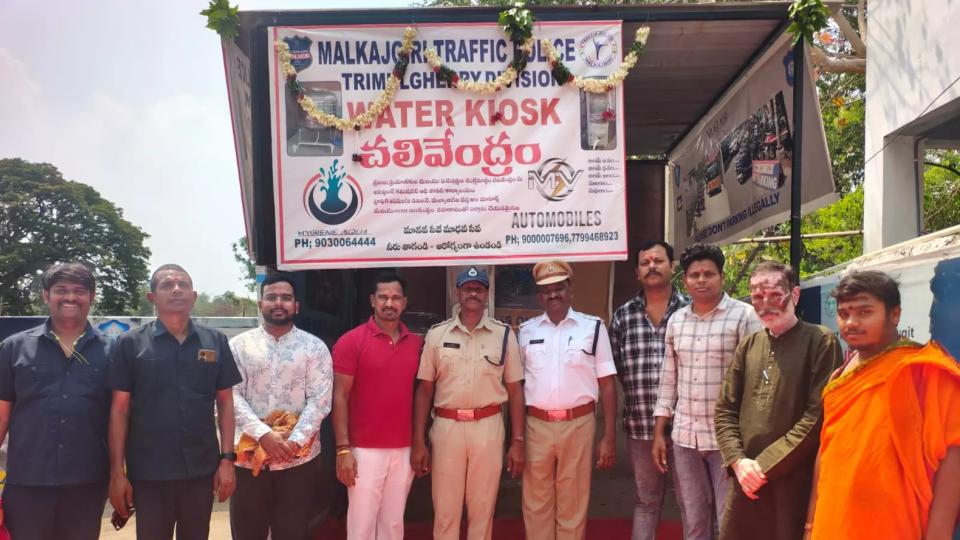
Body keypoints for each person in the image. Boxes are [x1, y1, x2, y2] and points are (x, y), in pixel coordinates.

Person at [805, 270, 960, 540]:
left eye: (865, 312)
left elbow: (953, 459)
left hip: (894, 524)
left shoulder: (925, 370)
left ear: (895, 314)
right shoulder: (839, 377)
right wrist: (810, 524)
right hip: (834, 522)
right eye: (843, 313)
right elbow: (826, 453)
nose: (851, 322)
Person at [108, 264, 242, 540]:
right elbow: (119, 410)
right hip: (149, 471)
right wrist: (117, 473)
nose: (177, 289)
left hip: (201, 468)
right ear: (151, 297)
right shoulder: (130, 344)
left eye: (183, 284)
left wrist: (227, 460)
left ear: (193, 296)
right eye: (167, 285)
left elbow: (226, 403)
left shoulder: (214, 341)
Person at [713, 261, 841, 540]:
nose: (765, 303)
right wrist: (737, 461)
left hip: (791, 481)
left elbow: (817, 416)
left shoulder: (821, 342)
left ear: (794, 295)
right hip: (744, 481)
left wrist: (763, 466)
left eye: (774, 295)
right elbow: (724, 409)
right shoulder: (749, 344)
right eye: (758, 297)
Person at [652, 243, 762, 540]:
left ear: (721, 277)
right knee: (694, 519)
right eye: (694, 275)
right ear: (684, 280)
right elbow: (668, 378)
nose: (701, 280)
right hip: (685, 439)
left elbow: (756, 379)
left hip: (728, 441)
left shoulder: (744, 316)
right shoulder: (677, 320)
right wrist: (659, 432)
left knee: (729, 520)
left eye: (708, 274)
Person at [411, 266, 525, 540]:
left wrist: (518, 440)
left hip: (487, 428)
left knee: (482, 510)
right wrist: (418, 440)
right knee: (446, 512)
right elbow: (425, 390)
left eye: (479, 288)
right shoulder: (437, 335)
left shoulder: (504, 335)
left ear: (486, 295)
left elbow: (516, 390)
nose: (473, 292)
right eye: (467, 288)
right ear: (458, 293)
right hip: (447, 428)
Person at [0, 263, 111, 540]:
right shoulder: (14, 347)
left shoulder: (113, 350)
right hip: (27, 480)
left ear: (92, 296)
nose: (70, 297)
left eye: (79, 291)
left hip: (87, 481)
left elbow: (120, 416)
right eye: (61, 290)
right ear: (46, 296)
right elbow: (2, 414)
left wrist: (121, 475)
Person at [228, 273, 333, 540]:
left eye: (286, 298)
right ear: (261, 303)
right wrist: (265, 436)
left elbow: (320, 400)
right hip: (248, 458)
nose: (279, 303)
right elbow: (230, 396)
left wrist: (294, 442)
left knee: (293, 532)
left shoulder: (314, 347)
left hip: (298, 460)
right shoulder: (239, 346)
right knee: (248, 532)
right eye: (272, 297)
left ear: (296, 305)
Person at [519, 260, 617, 540]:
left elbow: (607, 384)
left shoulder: (593, 328)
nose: (553, 295)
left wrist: (608, 436)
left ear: (570, 290)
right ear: (540, 296)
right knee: (535, 502)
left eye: (559, 288)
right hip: (536, 425)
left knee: (573, 501)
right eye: (546, 290)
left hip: (579, 424)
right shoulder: (526, 332)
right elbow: (517, 386)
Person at [332, 272, 422, 540]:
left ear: (404, 303)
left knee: (393, 524)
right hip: (363, 450)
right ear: (372, 300)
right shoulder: (351, 341)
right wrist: (342, 449)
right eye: (383, 297)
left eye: (395, 298)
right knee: (361, 525)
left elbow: (421, 395)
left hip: (403, 449)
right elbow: (339, 396)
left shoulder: (416, 344)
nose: (389, 303)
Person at [609, 240, 689, 540]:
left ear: (672, 267)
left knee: (689, 501)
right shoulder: (623, 316)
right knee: (646, 501)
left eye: (658, 260)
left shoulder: (690, 311)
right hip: (641, 426)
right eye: (645, 262)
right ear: (637, 273)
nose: (652, 266)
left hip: (686, 428)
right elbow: (617, 366)